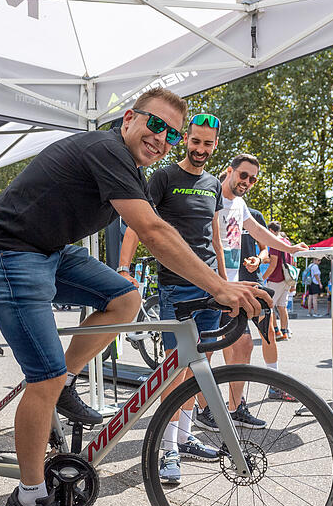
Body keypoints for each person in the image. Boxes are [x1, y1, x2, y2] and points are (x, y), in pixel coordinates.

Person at [0, 87, 270, 506]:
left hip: (47, 251)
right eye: (157, 125)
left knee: (126, 298)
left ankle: (63, 381)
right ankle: (28, 499)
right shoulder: (107, 149)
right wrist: (219, 287)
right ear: (129, 118)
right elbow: (151, 230)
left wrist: (218, 278)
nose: (162, 139)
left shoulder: (131, 168)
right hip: (4, 254)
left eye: (172, 134)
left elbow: (157, 223)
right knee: (41, 379)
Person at [117, 112, 226, 484]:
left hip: (210, 286)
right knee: (175, 370)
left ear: (215, 145)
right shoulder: (164, 177)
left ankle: (185, 436)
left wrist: (224, 286)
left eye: (207, 143)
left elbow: (214, 240)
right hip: (176, 285)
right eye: (195, 141)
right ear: (185, 140)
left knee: (202, 367)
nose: (201, 149)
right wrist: (125, 270)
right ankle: (168, 450)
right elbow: (138, 225)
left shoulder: (214, 185)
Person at [193, 153, 307, 427]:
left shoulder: (240, 204)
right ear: (230, 171)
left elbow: (258, 231)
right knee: (204, 352)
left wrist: (288, 248)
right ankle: (204, 410)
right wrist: (221, 282)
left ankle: (234, 409)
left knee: (242, 345)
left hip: (232, 285)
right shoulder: (212, 196)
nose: (247, 181)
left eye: (253, 178)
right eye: (243, 175)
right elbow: (215, 245)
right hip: (210, 284)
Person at [259, 221, 295, 339]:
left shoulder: (275, 243)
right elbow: (289, 261)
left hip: (276, 279)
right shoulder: (287, 242)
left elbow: (274, 265)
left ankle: (275, 331)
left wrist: (262, 278)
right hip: (287, 279)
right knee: (282, 306)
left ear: (270, 231)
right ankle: (285, 331)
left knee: (269, 305)